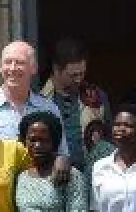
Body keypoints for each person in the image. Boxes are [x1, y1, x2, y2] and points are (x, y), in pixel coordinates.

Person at [0, 41, 67, 156]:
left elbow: (62, 154)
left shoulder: (49, 109)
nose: (12, 68)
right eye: (8, 62)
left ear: (34, 68)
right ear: (0, 67)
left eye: (20, 63)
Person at [43, 37, 109, 167]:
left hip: (91, 172)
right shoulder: (39, 100)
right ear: (56, 69)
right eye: (73, 75)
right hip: (52, 174)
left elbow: (109, 138)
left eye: (82, 74)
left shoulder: (97, 97)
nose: (79, 79)